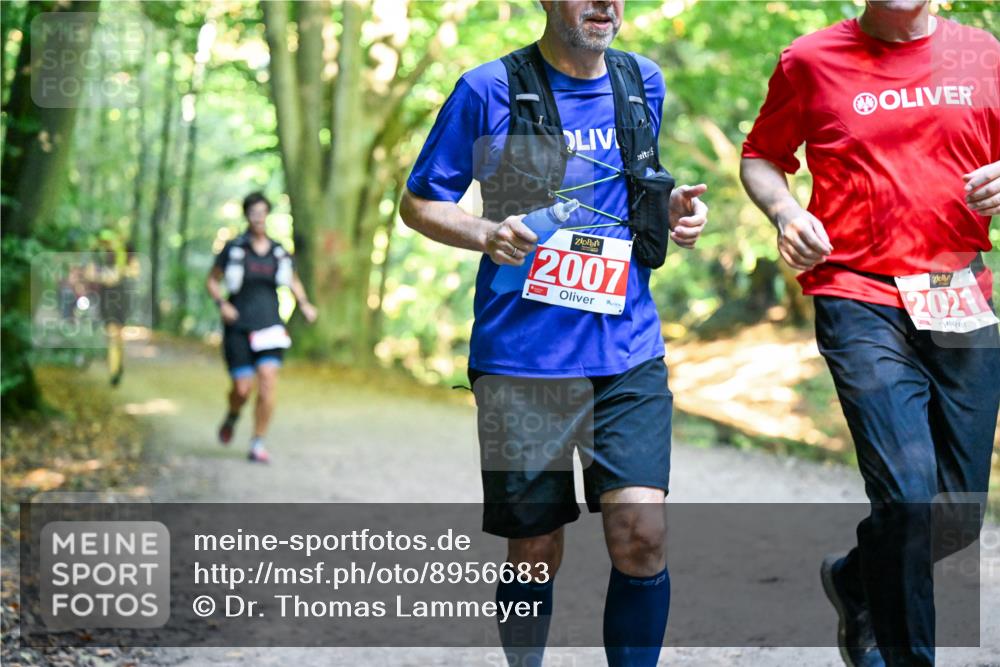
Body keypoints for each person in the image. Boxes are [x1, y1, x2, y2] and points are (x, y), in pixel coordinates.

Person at [400, 1, 708, 665]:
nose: (603, 3)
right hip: (521, 360)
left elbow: (637, 191)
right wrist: (485, 232)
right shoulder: (486, 89)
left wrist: (677, 209)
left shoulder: (641, 82)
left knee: (641, 534)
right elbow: (420, 202)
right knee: (534, 548)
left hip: (625, 348)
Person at [740, 2, 1000, 665]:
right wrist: (784, 209)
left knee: (956, 516)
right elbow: (763, 156)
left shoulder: (986, 55)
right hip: (857, 293)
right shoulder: (810, 60)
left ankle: (856, 579)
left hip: (959, 293)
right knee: (909, 497)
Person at [206, 192, 318, 463]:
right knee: (242, 389)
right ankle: (233, 415)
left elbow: (293, 280)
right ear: (247, 215)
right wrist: (222, 304)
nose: (258, 217)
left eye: (263, 212)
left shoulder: (278, 251)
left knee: (268, 382)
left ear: (267, 215)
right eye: (253, 212)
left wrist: (304, 303)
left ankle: (257, 442)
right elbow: (212, 280)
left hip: (270, 326)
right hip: (238, 327)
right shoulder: (234, 248)